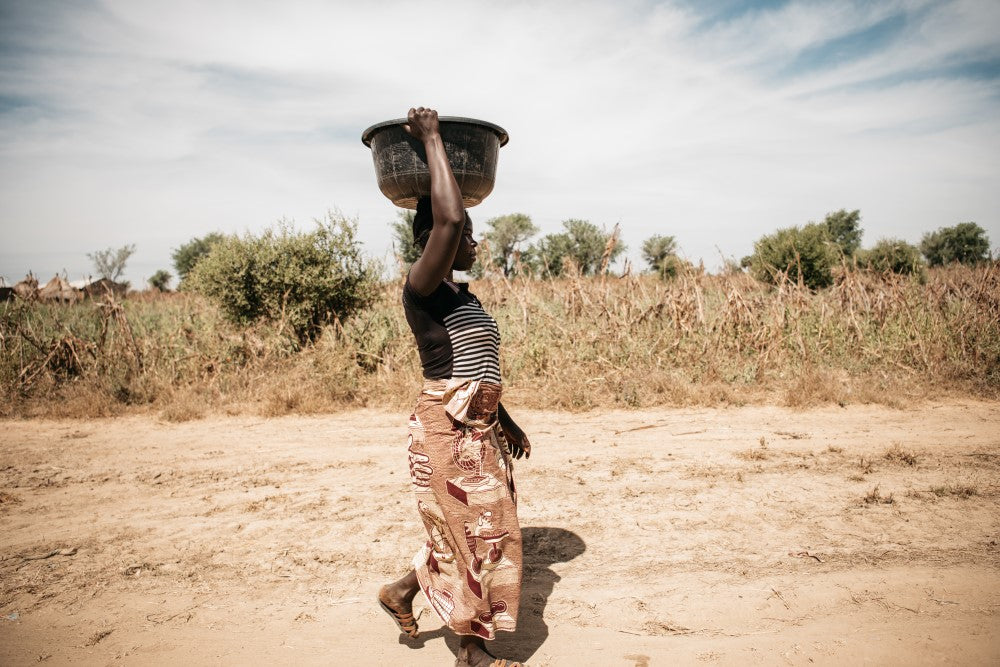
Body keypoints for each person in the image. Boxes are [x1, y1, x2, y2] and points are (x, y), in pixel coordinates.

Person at [377, 107, 532, 667]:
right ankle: (472, 652)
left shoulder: (464, 299)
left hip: (477, 428)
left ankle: (404, 591)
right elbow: (444, 222)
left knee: (473, 532)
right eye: (468, 231)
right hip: (445, 431)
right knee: (477, 535)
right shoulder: (422, 288)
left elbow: (475, 364)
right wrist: (433, 139)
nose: (474, 238)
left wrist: (504, 419)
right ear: (437, 239)